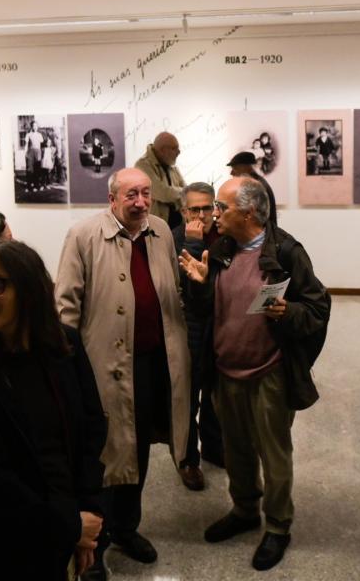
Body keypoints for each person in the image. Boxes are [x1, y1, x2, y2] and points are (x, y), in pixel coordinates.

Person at [179, 177, 331, 572]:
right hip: (225, 370)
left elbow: (317, 307)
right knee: (236, 449)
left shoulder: (286, 251)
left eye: (222, 207)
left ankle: (278, 526)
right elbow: (206, 310)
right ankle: (245, 509)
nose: (214, 214)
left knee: (273, 454)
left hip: (270, 372)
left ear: (248, 213)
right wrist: (200, 285)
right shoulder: (221, 250)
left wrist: (290, 312)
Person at [55, 167, 190, 580]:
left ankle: (127, 528)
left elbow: (173, 291)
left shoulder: (161, 232)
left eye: (146, 193)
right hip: (102, 368)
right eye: (131, 195)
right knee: (101, 457)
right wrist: (66, 369)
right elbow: (65, 307)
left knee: (138, 450)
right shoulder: (83, 236)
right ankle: (93, 547)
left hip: (151, 363)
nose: (141, 202)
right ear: (112, 199)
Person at [0, 239, 106, 581]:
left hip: (67, 516)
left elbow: (91, 430)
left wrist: (87, 514)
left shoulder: (65, 345)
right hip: (16, 535)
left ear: (30, 289)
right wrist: (70, 526)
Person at [172, 182, 224, 491]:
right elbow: (189, 290)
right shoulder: (173, 239)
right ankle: (188, 460)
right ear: (183, 211)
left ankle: (215, 449)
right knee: (187, 400)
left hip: (217, 330)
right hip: (187, 331)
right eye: (195, 209)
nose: (201, 215)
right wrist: (193, 244)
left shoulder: (224, 237)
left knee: (215, 397)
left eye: (207, 208)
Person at [134, 132, 185, 228]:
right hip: (156, 227)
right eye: (174, 148)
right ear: (162, 150)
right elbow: (162, 193)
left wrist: (185, 192)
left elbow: (188, 190)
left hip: (177, 225)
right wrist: (183, 192)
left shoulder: (171, 165)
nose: (179, 152)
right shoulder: (143, 165)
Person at [227, 151, 277, 224]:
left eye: (235, 168)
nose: (231, 173)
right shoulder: (257, 183)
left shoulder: (255, 187)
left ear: (247, 167)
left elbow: (257, 218)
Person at [24, 119, 43, 193]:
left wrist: (40, 155)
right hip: (30, 152)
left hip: (37, 152)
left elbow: (41, 145)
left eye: (36, 126)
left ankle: (36, 186)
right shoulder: (28, 135)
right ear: (31, 126)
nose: (35, 127)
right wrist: (25, 153)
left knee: (37, 169)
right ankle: (29, 186)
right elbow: (26, 145)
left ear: (37, 127)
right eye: (33, 125)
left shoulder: (39, 135)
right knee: (30, 170)